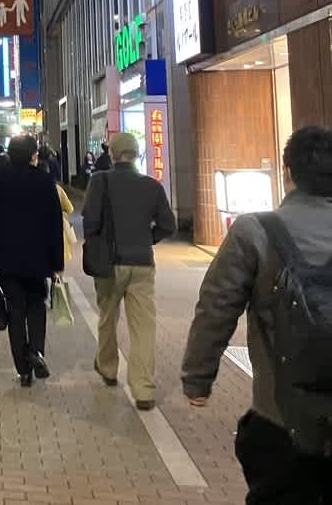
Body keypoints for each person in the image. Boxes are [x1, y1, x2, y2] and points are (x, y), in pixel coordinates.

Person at [182, 126, 332, 502]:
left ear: (286, 172)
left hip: (281, 419)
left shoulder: (255, 231)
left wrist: (197, 379)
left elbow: (216, 307)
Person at [84, 132, 176, 410]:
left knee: (108, 317)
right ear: (136, 154)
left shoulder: (100, 181)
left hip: (110, 264)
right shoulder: (151, 186)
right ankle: (144, 389)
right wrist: (147, 240)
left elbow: (90, 222)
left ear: (112, 154)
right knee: (143, 327)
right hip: (142, 264)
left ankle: (109, 368)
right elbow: (168, 225)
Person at [0, 135, 65, 387]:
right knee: (37, 307)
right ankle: (37, 351)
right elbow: (54, 225)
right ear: (32, 155)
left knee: (15, 312)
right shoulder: (43, 180)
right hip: (37, 258)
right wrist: (57, 263)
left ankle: (23, 370)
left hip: (6, 260)